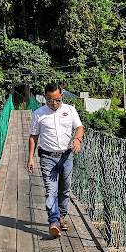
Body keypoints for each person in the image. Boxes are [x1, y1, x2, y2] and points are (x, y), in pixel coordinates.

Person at [27, 82, 84, 238]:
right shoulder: (39, 113)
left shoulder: (70, 110)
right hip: (47, 157)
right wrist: (30, 158)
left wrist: (78, 139)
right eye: (50, 100)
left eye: (57, 100)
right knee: (51, 190)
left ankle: (61, 216)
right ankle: (53, 221)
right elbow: (33, 136)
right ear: (45, 97)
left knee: (64, 190)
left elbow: (79, 127)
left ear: (62, 96)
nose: (54, 104)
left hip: (66, 156)